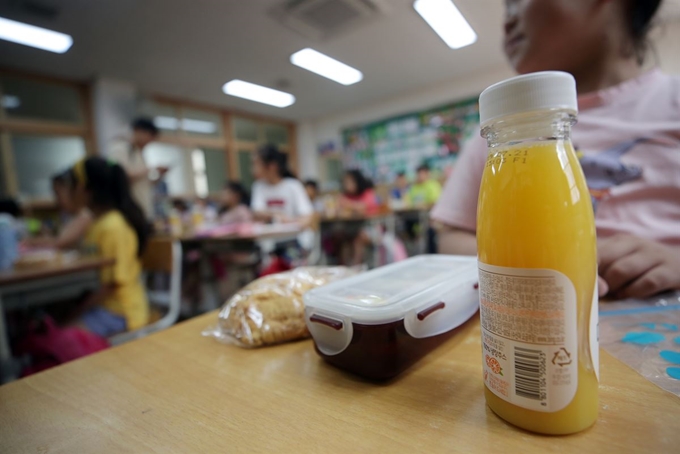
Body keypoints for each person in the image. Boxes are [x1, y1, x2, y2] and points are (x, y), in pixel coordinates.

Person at [432, 0, 680, 299]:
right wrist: (533, 261)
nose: (506, 20)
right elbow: (451, 235)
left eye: (517, 1)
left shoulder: (672, 101)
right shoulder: (501, 128)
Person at [72, 157, 150, 337]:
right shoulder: (97, 223)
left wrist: (78, 310)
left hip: (121, 311)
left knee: (60, 339)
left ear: (84, 189)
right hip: (105, 305)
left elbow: (112, 285)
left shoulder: (113, 226)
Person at [109, 117, 166, 221]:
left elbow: (146, 184)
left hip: (143, 210)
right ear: (138, 131)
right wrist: (151, 169)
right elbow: (120, 176)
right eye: (150, 136)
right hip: (129, 212)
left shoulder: (139, 153)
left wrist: (160, 174)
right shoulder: (121, 148)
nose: (150, 141)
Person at [25, 170, 93, 250]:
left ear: (72, 191)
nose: (57, 200)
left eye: (58, 194)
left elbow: (60, 242)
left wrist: (31, 241)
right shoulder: (70, 215)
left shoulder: (85, 215)